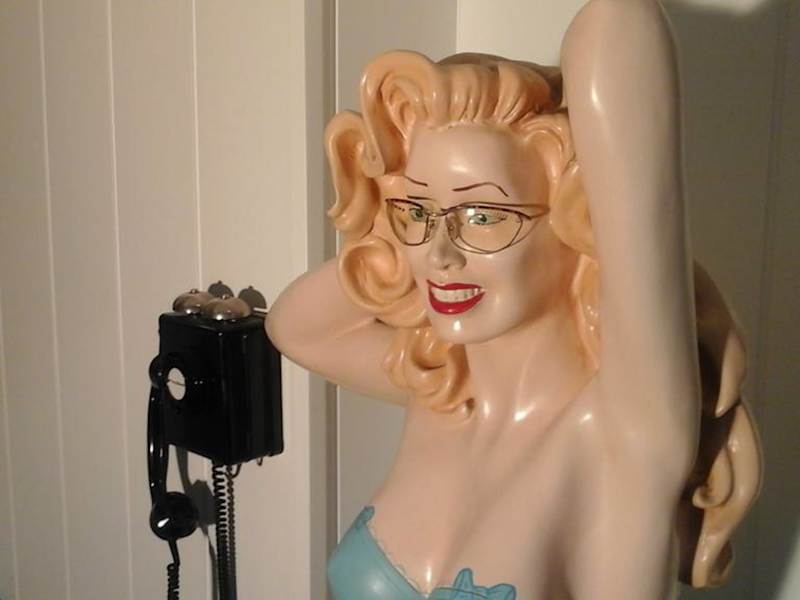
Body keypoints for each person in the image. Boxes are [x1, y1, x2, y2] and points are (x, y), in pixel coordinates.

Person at [266, 1, 762, 598]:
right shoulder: (441, 389)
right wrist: (413, 213)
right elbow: (294, 327)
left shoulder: (625, 431)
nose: (441, 256)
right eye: (418, 212)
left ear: (579, 220)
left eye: (484, 215)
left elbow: (619, 31)